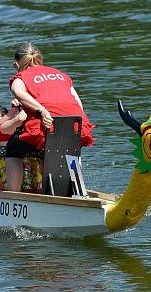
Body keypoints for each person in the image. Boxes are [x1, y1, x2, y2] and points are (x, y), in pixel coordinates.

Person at [6, 42, 94, 192]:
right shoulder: (61, 75)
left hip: (48, 127)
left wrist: (42, 111)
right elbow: (78, 103)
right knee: (71, 148)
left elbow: (18, 91)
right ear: (41, 60)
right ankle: (78, 190)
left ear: (16, 64)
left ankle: (14, 195)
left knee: (12, 148)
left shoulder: (20, 77)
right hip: (77, 126)